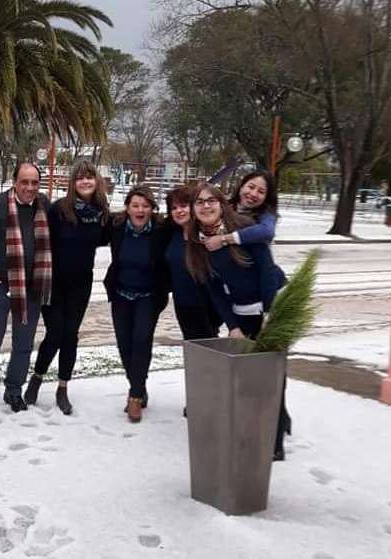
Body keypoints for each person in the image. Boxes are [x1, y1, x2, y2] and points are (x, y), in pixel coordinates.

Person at [185, 183, 288, 460]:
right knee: (250, 378)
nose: (206, 206)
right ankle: (265, 425)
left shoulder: (242, 229)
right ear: (193, 211)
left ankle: (273, 444)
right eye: (199, 202)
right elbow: (215, 292)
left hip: (271, 306)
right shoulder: (197, 245)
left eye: (211, 201)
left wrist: (270, 313)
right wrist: (233, 325)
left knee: (270, 378)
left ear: (221, 204)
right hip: (242, 312)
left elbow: (267, 271)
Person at [24, 161, 110, 415]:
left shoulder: (101, 213)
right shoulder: (59, 209)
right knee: (56, 332)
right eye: (80, 178)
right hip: (54, 281)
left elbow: (111, 237)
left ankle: (63, 387)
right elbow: (40, 239)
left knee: (71, 334)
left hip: (81, 283)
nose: (85, 182)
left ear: (96, 181)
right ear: (73, 183)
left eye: (89, 177)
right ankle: (37, 379)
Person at [0, 162, 51, 418]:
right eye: (24, 182)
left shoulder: (44, 207)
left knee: (23, 345)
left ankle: (14, 391)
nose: (30, 188)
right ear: (14, 181)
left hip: (30, 290)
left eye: (34, 183)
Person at [103, 186, 172, 423]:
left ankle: (134, 397)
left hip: (149, 296)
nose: (140, 210)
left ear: (152, 208)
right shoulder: (117, 226)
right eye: (135, 205)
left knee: (142, 340)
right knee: (124, 344)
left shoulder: (162, 229)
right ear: (128, 208)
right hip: (121, 293)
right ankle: (139, 386)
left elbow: (187, 216)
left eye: (145, 206)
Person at [164, 185, 218, 342]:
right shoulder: (173, 233)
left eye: (183, 206)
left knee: (208, 349)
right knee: (192, 349)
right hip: (182, 304)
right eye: (174, 208)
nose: (179, 211)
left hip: (206, 306)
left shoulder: (207, 234)